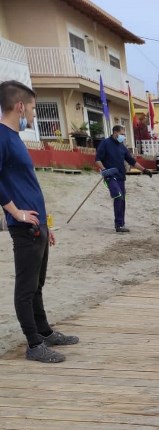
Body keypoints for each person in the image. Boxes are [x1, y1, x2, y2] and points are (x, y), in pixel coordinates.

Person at [0, 80, 79, 363]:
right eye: (33, 108)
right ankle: (34, 345)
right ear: (19, 106)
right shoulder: (1, 137)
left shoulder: (13, 137)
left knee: (37, 283)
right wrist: (16, 212)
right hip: (24, 227)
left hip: (37, 225)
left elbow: (26, 184)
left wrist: (46, 225)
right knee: (26, 287)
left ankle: (44, 332)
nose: (34, 114)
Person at [95, 125, 152, 233]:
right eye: (122, 134)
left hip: (121, 176)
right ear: (115, 132)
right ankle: (118, 225)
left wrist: (144, 170)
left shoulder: (122, 147)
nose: (123, 136)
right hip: (110, 176)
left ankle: (121, 224)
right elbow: (97, 159)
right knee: (118, 195)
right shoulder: (105, 143)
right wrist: (104, 170)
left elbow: (132, 161)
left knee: (122, 200)